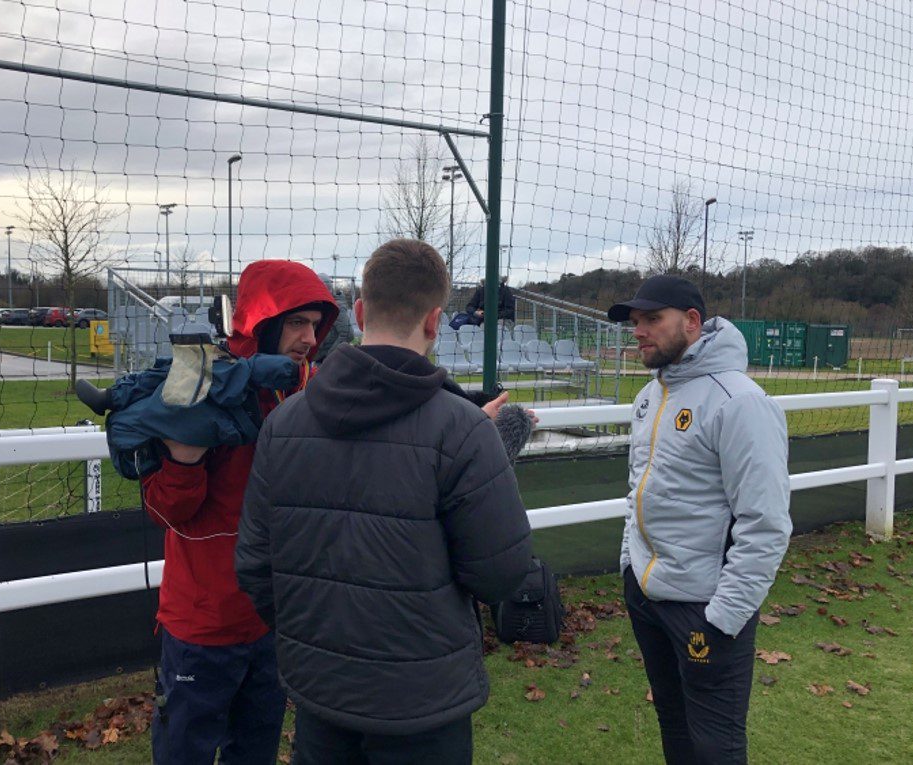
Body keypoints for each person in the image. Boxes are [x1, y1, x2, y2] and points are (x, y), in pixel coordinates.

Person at [236, 239, 534, 765]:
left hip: (320, 695)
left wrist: (315, 641)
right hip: (423, 702)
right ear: (436, 321)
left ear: (357, 312)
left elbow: (257, 569)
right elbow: (501, 574)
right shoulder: (465, 430)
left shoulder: (282, 424)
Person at [142, 260, 337, 765]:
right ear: (263, 321)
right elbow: (165, 511)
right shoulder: (202, 387)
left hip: (273, 622)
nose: (309, 338)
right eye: (297, 322)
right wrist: (184, 459)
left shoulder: (305, 395)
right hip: (202, 626)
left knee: (255, 753)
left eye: (316, 325)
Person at [607, 274, 791, 765]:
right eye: (635, 322)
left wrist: (725, 616)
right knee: (673, 723)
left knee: (715, 745)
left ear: (691, 322)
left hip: (705, 609)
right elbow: (639, 490)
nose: (638, 331)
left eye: (652, 320)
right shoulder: (650, 396)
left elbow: (766, 523)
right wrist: (631, 567)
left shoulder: (741, 402)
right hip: (648, 596)